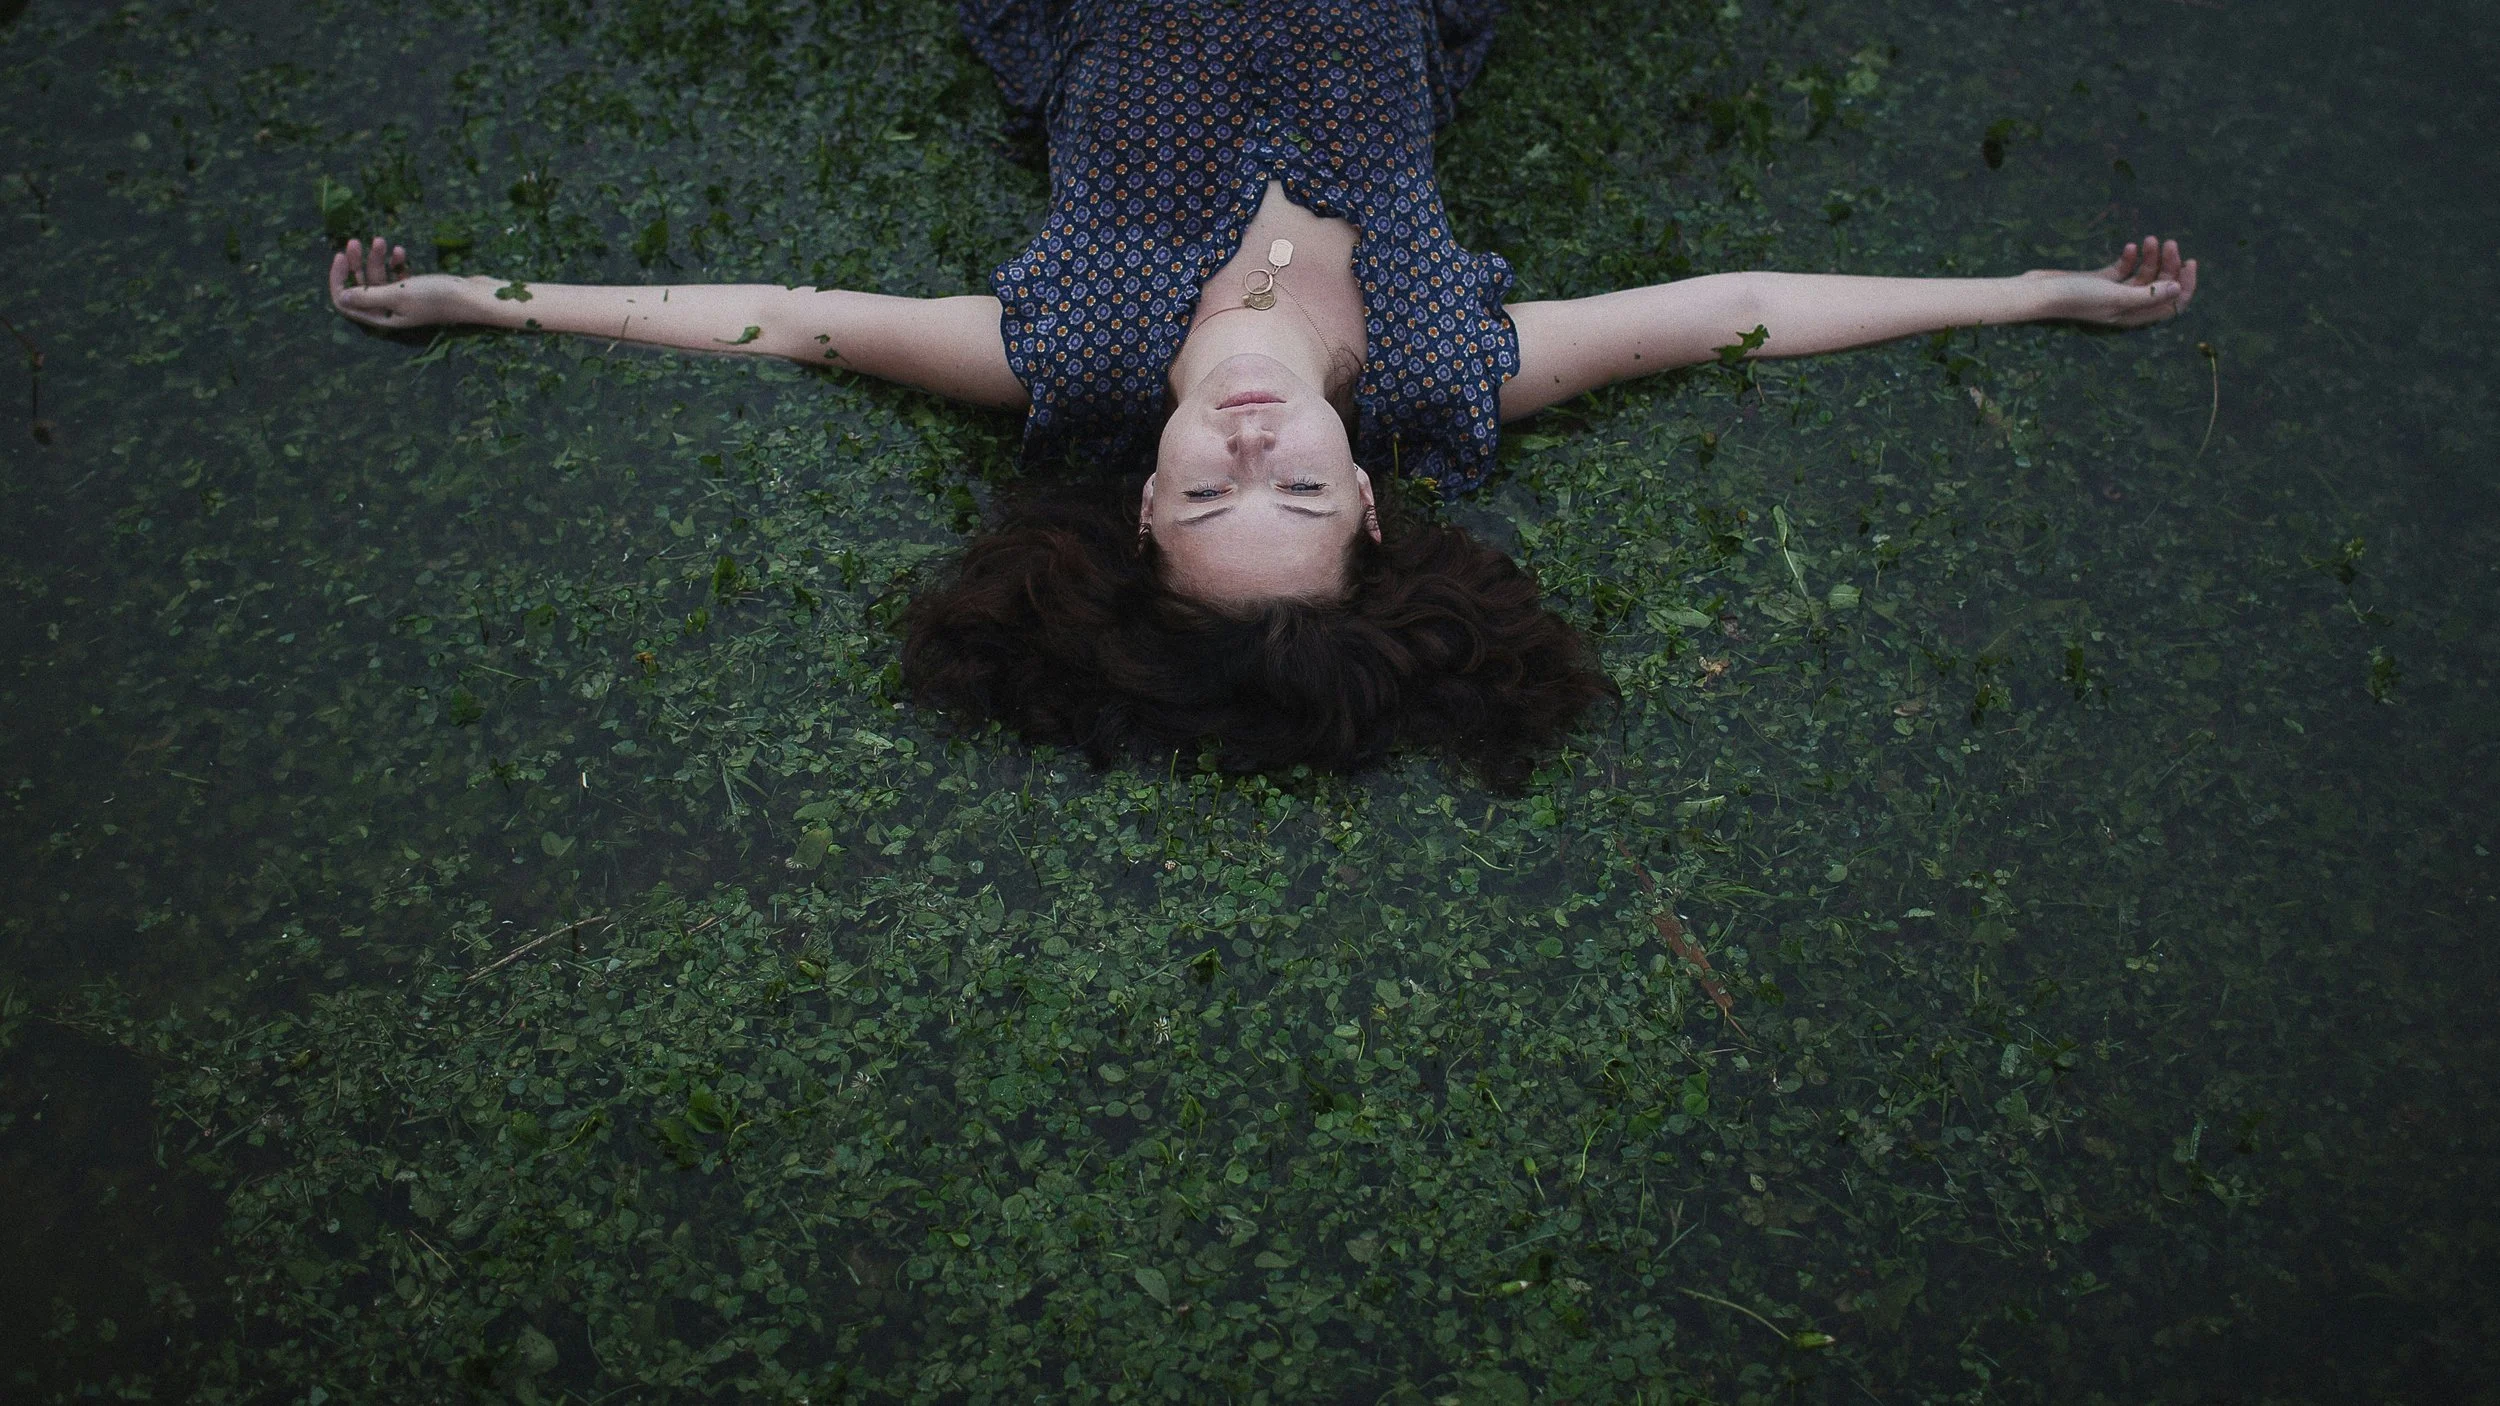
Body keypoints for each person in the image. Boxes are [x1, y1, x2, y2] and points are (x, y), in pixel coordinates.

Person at [328, 0, 2196, 788]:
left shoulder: (1062, 359)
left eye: (1209, 500)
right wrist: (2034, 292)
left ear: (1135, 507)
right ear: (1369, 499)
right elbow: (1743, 309)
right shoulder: (1453, 373)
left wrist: (482, 302)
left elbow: (782, 317)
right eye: (1291, 496)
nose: (1244, 452)